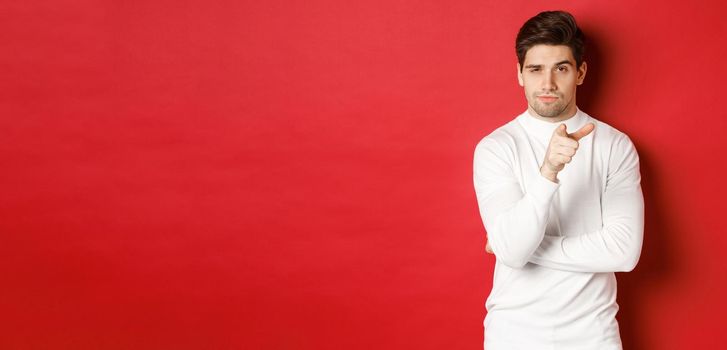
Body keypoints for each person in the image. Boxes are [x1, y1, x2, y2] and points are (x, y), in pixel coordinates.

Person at [472, 10, 644, 350]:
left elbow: (624, 253)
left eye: (561, 68)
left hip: (594, 336)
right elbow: (513, 249)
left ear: (579, 73)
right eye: (536, 69)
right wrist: (548, 172)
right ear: (520, 74)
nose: (547, 83)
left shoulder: (614, 145)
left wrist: (518, 249)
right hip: (513, 335)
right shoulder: (496, 148)